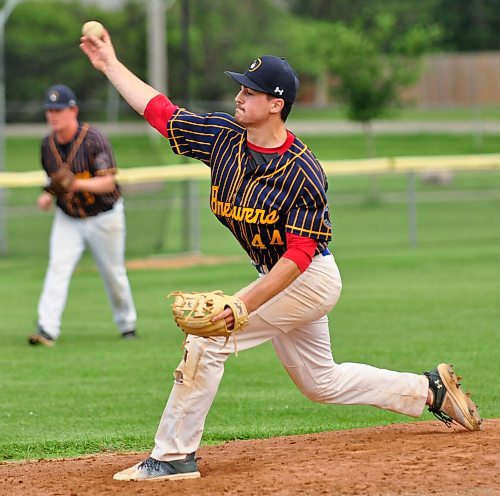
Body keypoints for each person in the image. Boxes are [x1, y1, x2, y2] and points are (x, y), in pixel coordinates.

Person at [80, 31, 482, 481]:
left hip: (307, 278)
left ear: (276, 103)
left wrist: (242, 305)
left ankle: (174, 455)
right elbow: (159, 111)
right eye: (240, 89)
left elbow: (300, 255)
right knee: (320, 382)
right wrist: (110, 63)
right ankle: (428, 390)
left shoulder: (302, 170)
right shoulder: (223, 140)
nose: (239, 97)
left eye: (249, 92)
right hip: (277, 274)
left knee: (207, 341)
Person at [28, 84, 137, 347]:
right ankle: (47, 328)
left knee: (113, 273)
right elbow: (54, 181)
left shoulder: (93, 139)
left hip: (104, 217)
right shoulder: (47, 145)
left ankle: (127, 324)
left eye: (59, 109)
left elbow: (108, 183)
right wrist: (47, 194)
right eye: (49, 110)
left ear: (73, 110)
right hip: (68, 218)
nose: (53, 115)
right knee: (57, 268)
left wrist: (76, 184)